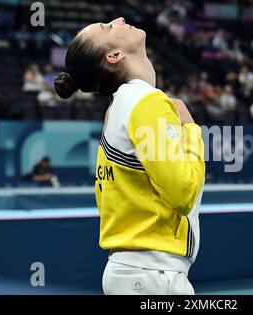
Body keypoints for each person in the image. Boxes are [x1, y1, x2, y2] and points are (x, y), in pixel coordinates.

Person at [54, 17, 205, 295]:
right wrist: (191, 131)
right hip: (153, 276)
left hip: (135, 273)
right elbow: (183, 192)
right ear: (113, 56)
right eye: (108, 28)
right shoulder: (144, 102)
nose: (119, 20)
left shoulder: (119, 108)